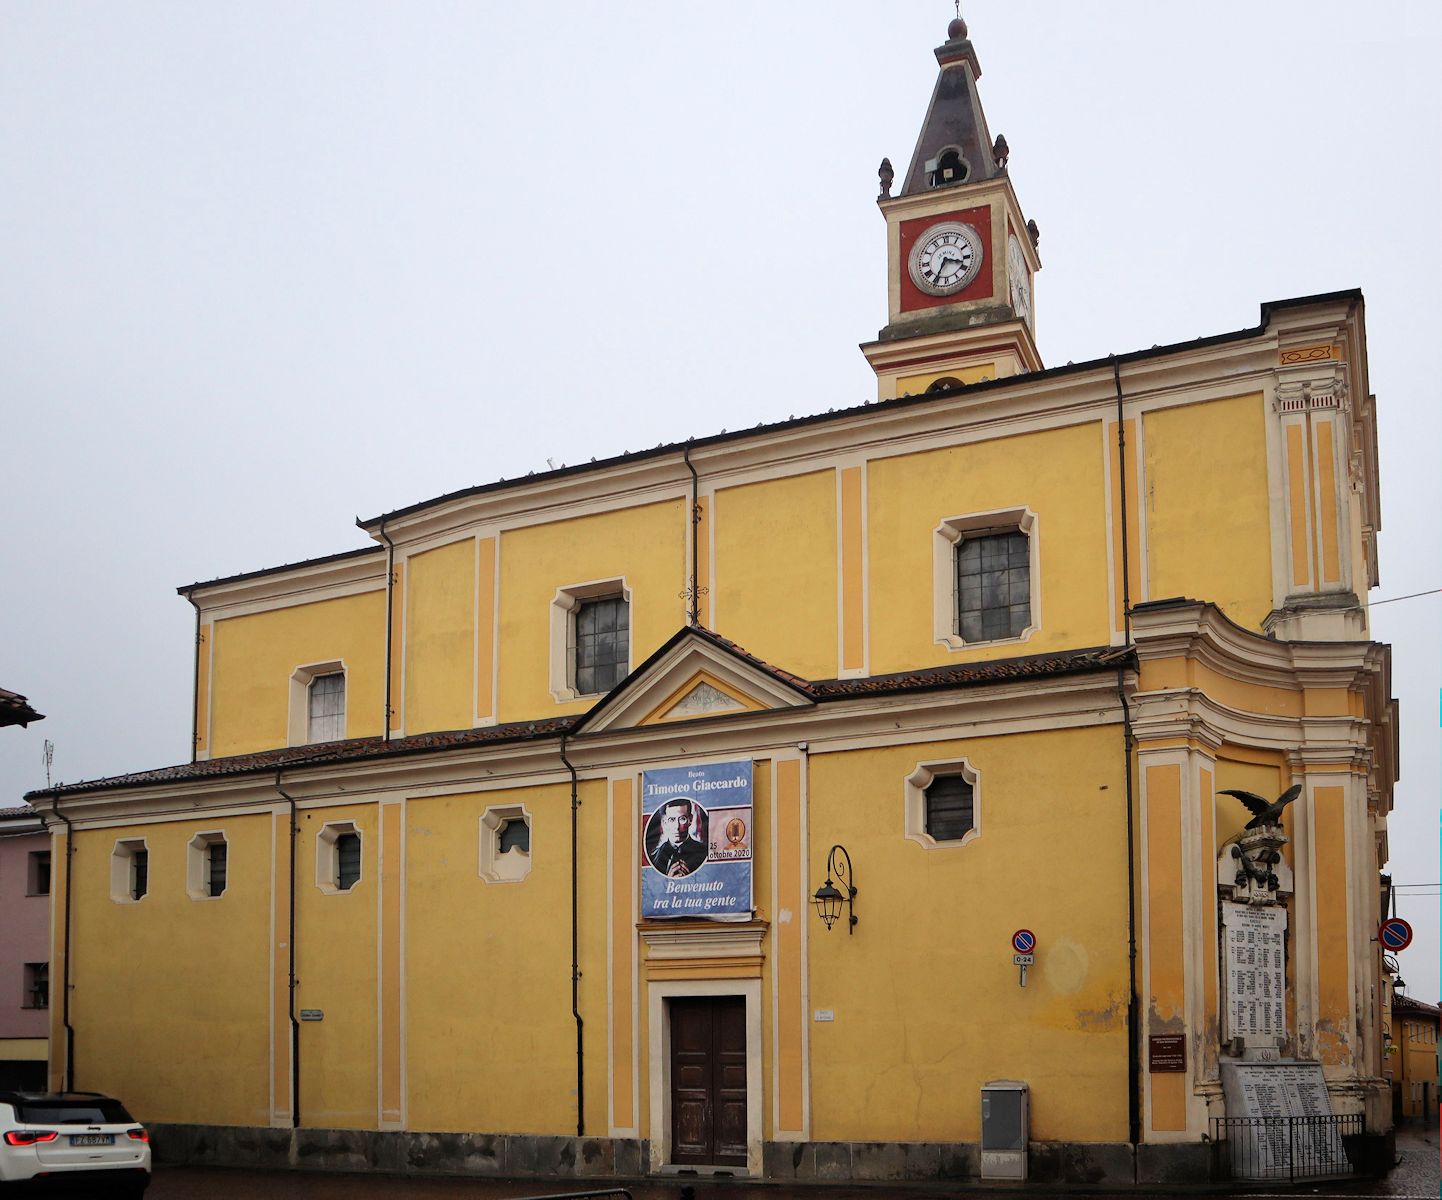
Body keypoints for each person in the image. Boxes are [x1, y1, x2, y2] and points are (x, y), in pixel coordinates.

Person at [649, 796, 708, 878]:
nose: (677, 827)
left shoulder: (705, 853)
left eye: (682, 819)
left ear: (690, 820)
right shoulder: (654, 858)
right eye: (672, 820)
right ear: (665, 823)